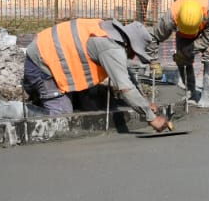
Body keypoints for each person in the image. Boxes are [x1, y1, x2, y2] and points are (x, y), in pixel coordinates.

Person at [23, 18, 173, 132]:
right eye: (136, 54)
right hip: (41, 64)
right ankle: (21, 111)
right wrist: (152, 118)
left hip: (52, 59)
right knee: (62, 117)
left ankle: (46, 98)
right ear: (132, 46)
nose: (134, 57)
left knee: (90, 103)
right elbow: (125, 87)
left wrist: (145, 101)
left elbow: (126, 73)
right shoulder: (111, 49)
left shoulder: (110, 33)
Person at [146, 0, 209, 107]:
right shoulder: (171, 17)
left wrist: (189, 49)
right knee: (182, 56)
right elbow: (153, 36)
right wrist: (153, 61)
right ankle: (190, 91)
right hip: (188, 22)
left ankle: (207, 94)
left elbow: (208, 39)